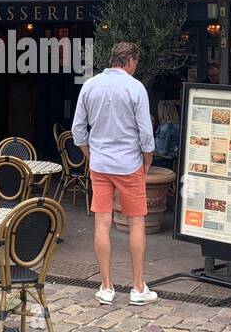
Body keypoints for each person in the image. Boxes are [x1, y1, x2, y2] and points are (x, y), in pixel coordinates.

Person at [72, 41, 157, 306]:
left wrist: (91, 155)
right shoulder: (135, 87)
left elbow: (78, 131)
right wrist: (147, 160)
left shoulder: (90, 85)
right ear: (130, 61)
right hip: (129, 164)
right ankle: (138, 287)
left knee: (102, 223)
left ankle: (106, 286)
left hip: (100, 165)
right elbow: (146, 133)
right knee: (136, 223)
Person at [153, 100, 180, 167]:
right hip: (171, 161)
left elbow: (161, 151)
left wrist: (147, 151)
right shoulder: (177, 125)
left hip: (161, 161)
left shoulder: (165, 128)